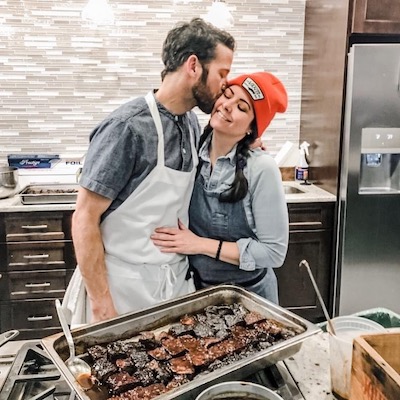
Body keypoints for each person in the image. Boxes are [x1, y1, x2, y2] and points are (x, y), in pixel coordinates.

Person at [62, 18, 236, 325]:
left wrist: (250, 141)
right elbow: (84, 217)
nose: (225, 84)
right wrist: (102, 304)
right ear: (193, 66)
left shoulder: (191, 125)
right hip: (121, 289)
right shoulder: (127, 128)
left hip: (172, 285)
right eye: (223, 73)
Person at [151, 71, 289, 303]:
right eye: (227, 95)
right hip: (197, 291)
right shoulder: (193, 149)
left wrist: (198, 244)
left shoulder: (261, 169)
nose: (227, 106)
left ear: (251, 129)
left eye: (242, 108)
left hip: (250, 299)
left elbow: (273, 253)